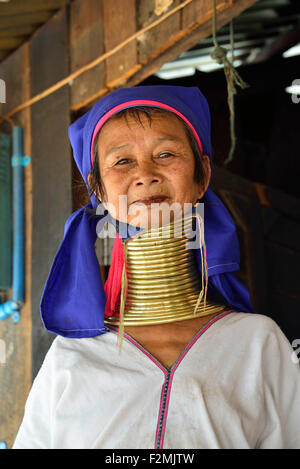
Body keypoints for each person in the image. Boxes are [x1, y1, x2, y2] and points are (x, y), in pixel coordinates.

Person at [13, 86, 300, 449]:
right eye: (122, 161)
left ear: (202, 175)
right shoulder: (72, 357)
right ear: (97, 189)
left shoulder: (258, 343)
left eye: (166, 154)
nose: (145, 174)